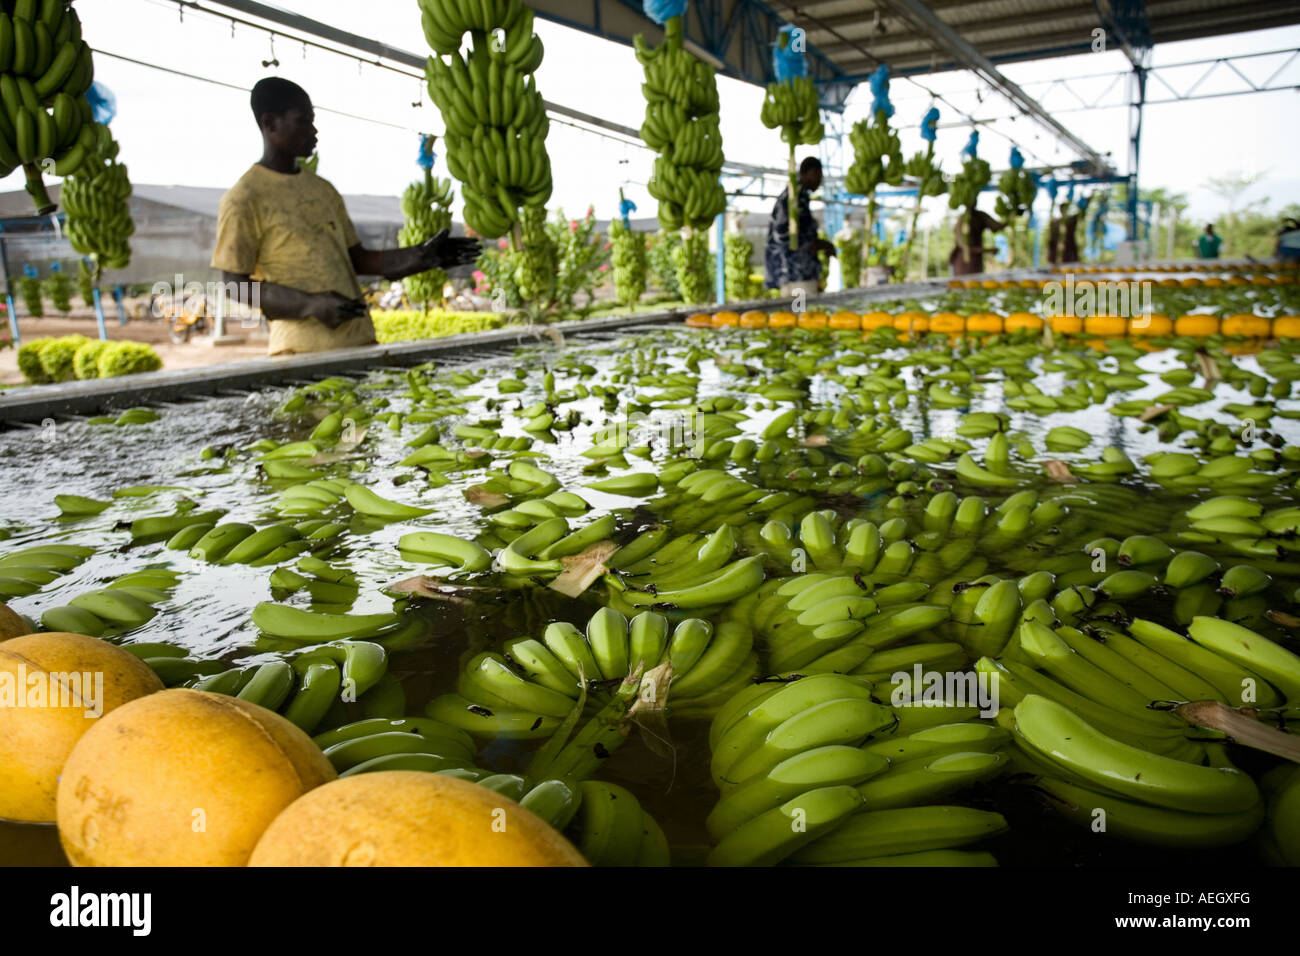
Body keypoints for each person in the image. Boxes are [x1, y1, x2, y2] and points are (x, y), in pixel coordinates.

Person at [212, 77, 479, 355]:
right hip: (299, 354)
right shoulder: (244, 198)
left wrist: (422, 257)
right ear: (270, 124)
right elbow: (235, 286)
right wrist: (311, 305)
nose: (313, 131)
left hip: (360, 342)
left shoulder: (323, 190)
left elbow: (357, 259)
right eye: (303, 121)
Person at [764, 156, 835, 295]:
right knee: (801, 314)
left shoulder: (799, 196)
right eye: (816, 175)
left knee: (798, 314)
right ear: (805, 173)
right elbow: (783, 234)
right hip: (795, 274)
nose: (819, 180)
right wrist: (819, 244)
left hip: (798, 274)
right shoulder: (793, 198)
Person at [948, 206, 1004, 276]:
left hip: (975, 262)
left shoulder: (980, 215)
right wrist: (988, 250)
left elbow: (996, 227)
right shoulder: (963, 220)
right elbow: (963, 245)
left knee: (976, 283)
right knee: (966, 284)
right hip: (964, 263)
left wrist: (1010, 217)